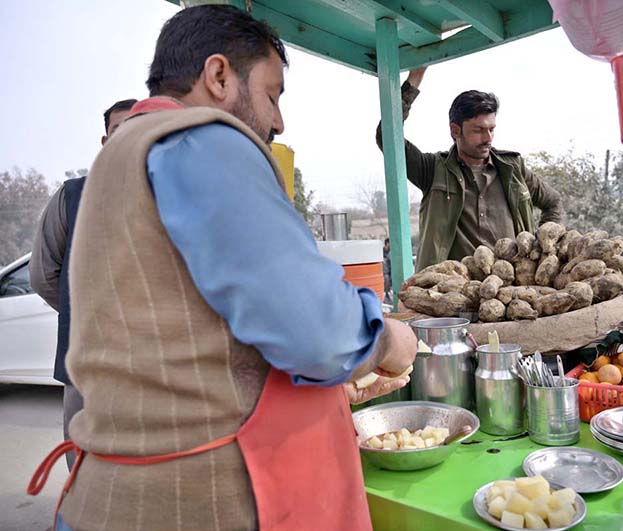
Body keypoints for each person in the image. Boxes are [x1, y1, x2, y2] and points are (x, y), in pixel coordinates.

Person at [29, 6, 417, 531]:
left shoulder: (117, 160)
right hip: (204, 502)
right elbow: (318, 331)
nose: (278, 120)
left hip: (107, 496)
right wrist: (387, 341)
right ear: (218, 76)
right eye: (272, 94)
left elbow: (186, 332)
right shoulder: (199, 138)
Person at [29, 98, 137, 470]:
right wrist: (89, 315)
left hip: (151, 367)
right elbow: (43, 276)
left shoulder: (173, 197)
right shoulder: (71, 197)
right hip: (85, 364)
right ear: (105, 141)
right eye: (119, 131)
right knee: (83, 468)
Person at [376, 67, 563, 271]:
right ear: (455, 130)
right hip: (452, 291)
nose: (488, 138)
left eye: (491, 129)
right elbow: (386, 136)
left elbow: (552, 202)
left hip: (509, 290)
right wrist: (413, 82)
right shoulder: (432, 170)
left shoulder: (513, 168)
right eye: (478, 130)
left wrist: (542, 247)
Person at [383, 237, 392, 303]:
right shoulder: (381, 252)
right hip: (384, 273)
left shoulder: (390, 253)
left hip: (389, 272)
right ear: (387, 243)